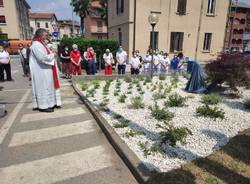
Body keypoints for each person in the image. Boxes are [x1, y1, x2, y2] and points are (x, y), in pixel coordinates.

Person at [29, 28, 61, 113]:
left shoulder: (41, 44)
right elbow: (41, 58)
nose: (47, 36)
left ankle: (50, 103)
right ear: (41, 35)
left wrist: (52, 54)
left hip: (46, 70)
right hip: (41, 71)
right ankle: (43, 106)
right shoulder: (36, 44)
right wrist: (53, 55)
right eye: (46, 35)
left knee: (48, 87)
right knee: (43, 87)